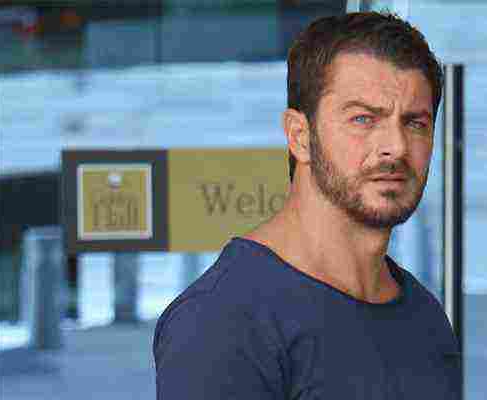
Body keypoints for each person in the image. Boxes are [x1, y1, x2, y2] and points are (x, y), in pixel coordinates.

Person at [153, 11, 461, 400]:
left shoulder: (424, 318)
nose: (396, 147)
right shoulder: (223, 322)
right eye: (363, 119)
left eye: (415, 123)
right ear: (299, 136)